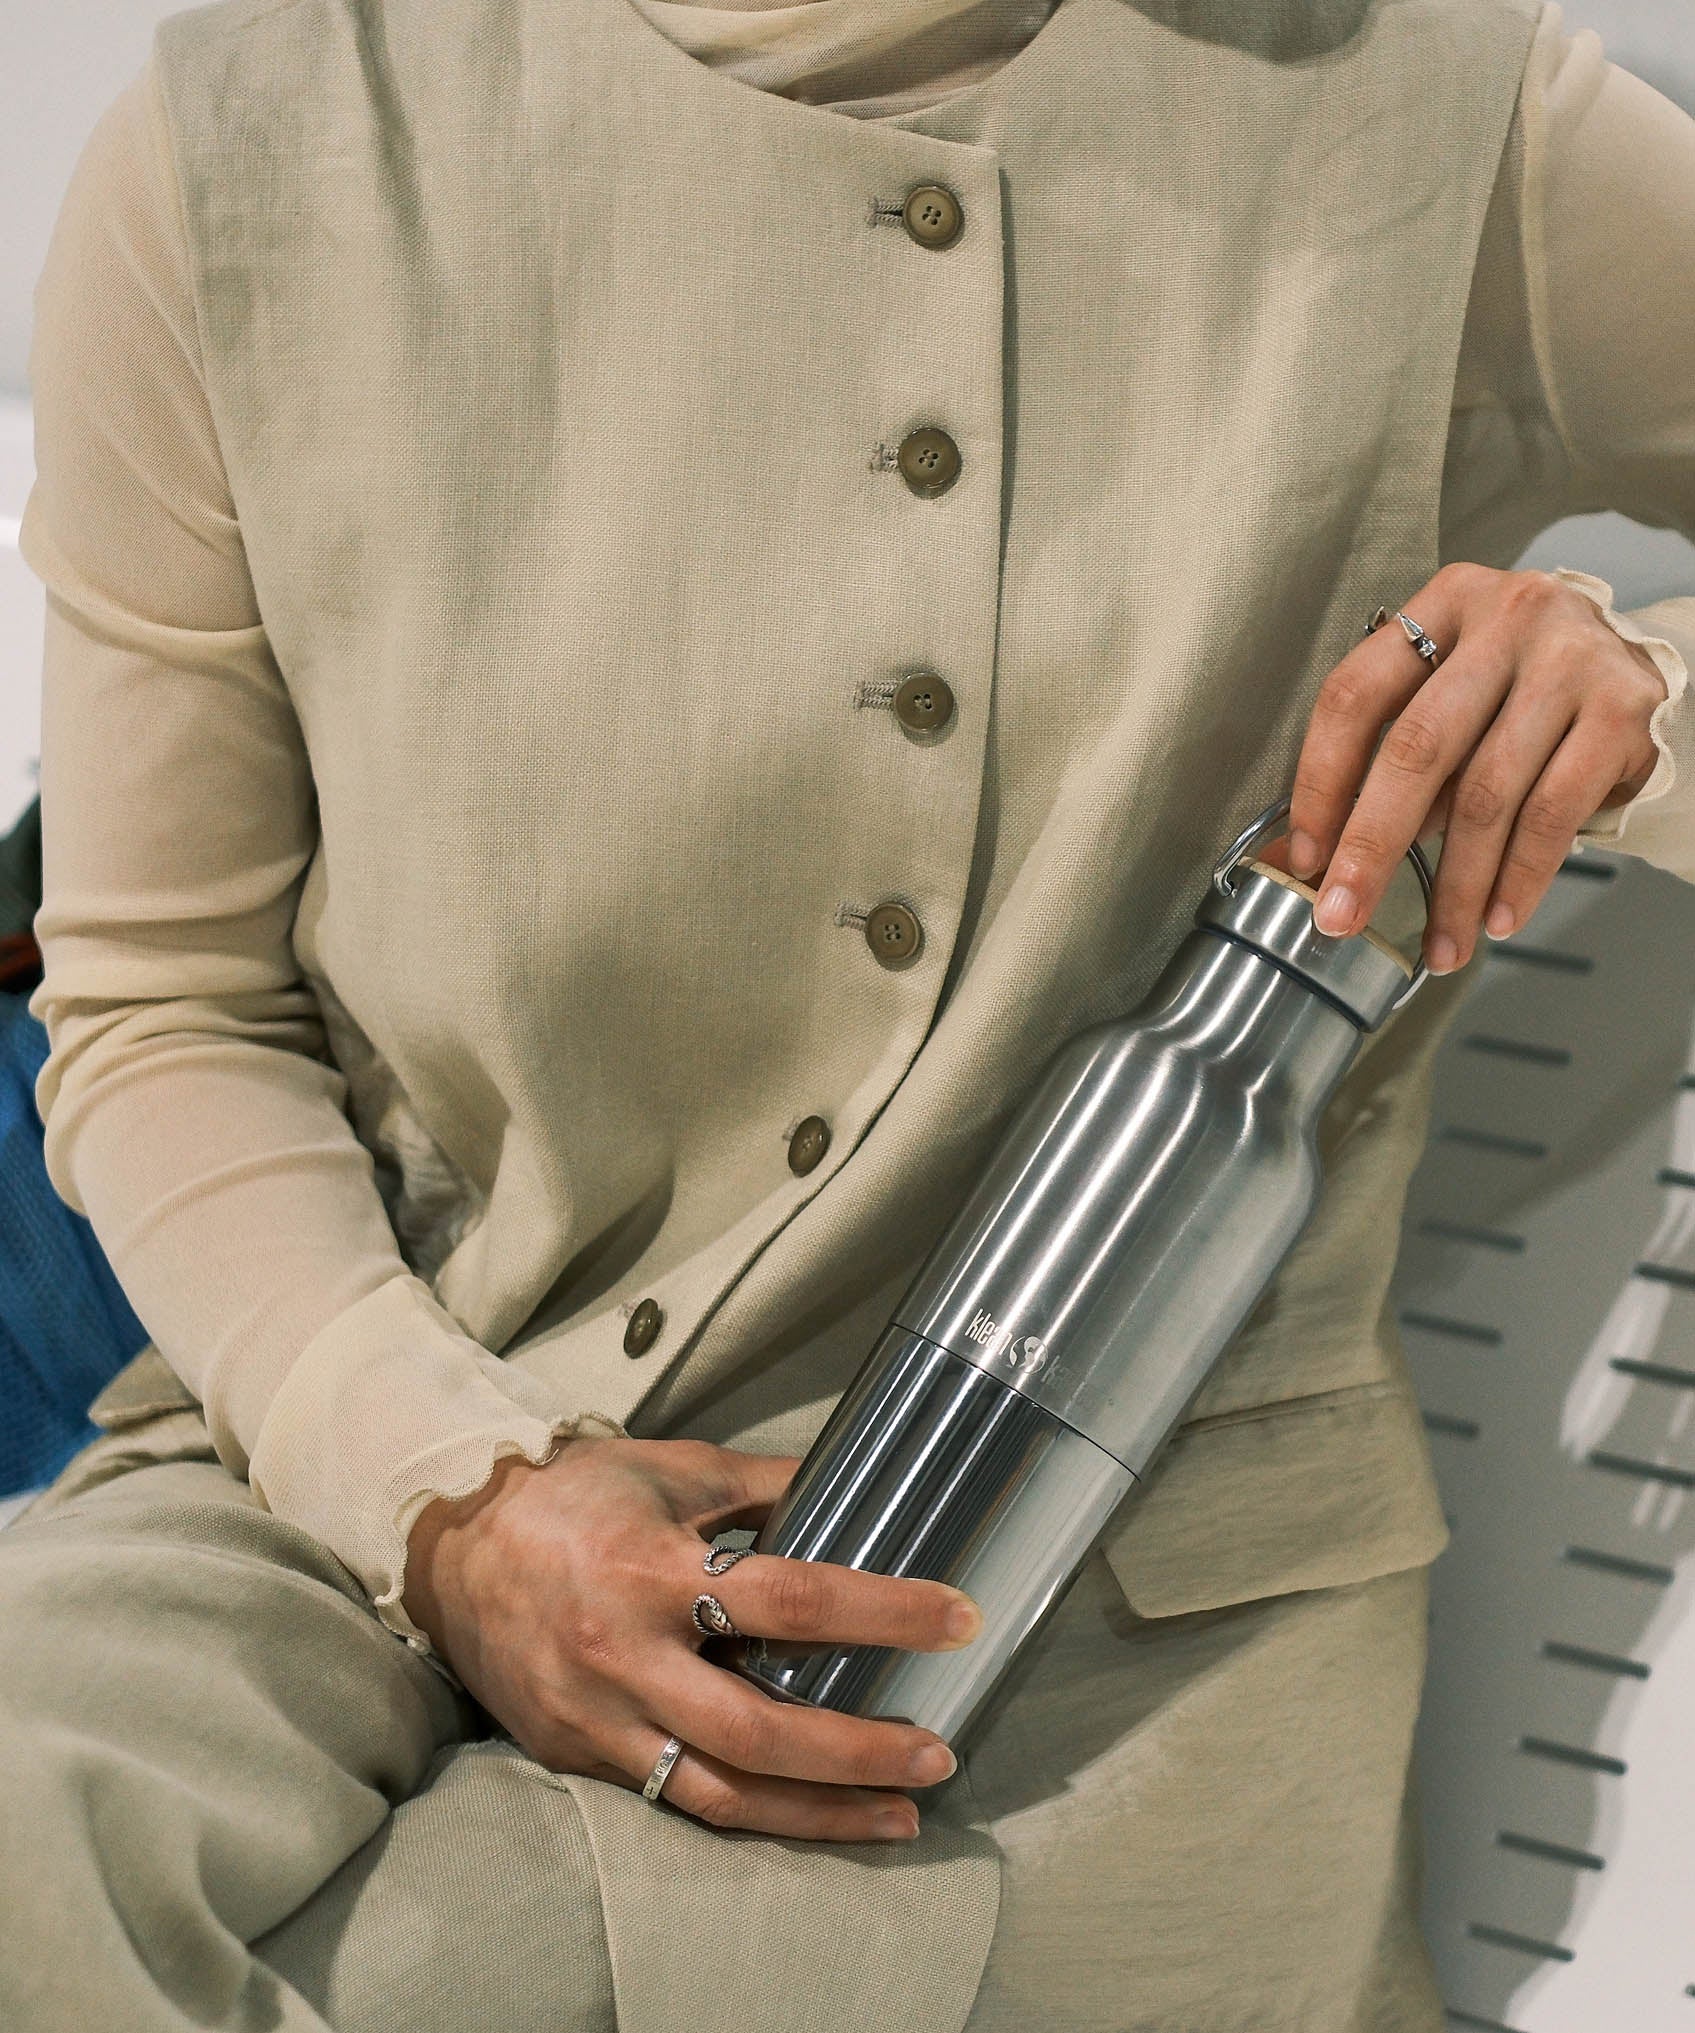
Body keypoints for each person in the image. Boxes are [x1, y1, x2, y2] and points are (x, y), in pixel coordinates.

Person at [4, 0, 1694, 2027]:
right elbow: (163, 1002)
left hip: (1087, 1596)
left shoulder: (1424, 107)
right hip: (357, 1444)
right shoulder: (247, 151)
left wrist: (1628, 698)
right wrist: (444, 1496)